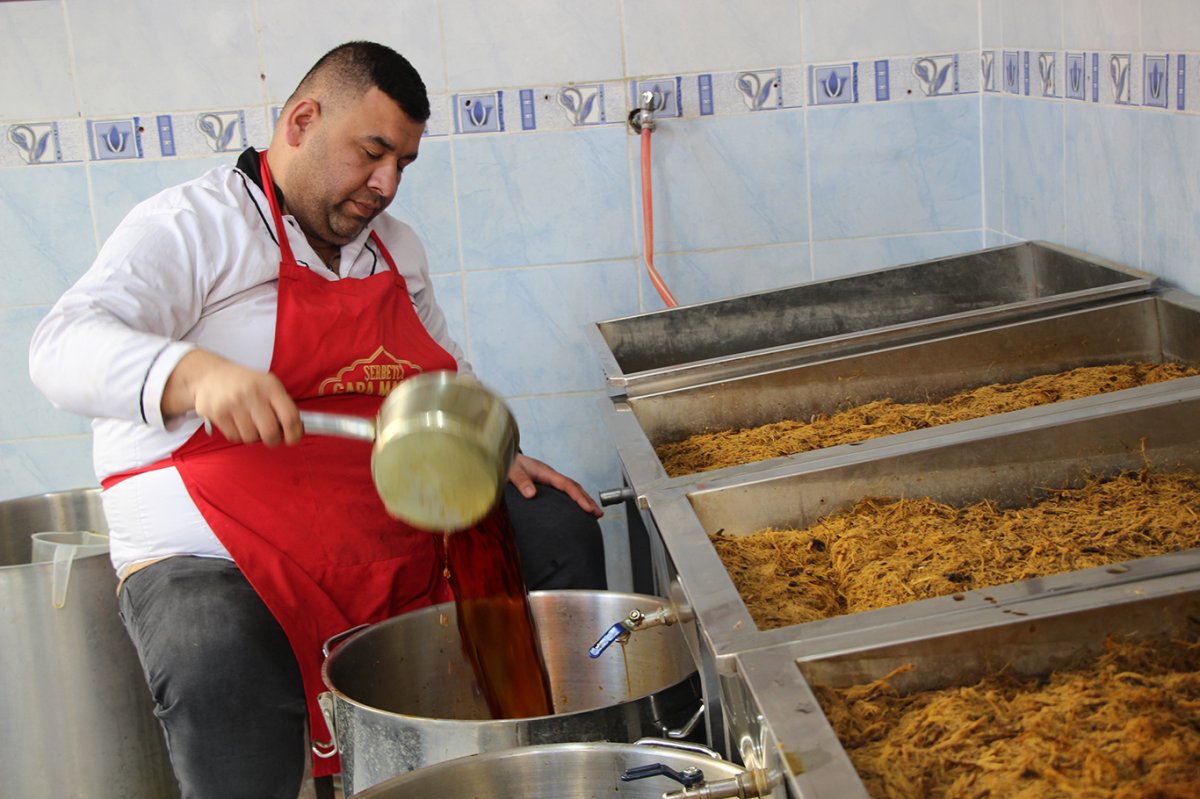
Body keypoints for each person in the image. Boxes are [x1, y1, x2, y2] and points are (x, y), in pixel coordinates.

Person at [28, 41, 606, 799]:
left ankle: (548, 769)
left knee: (558, 527)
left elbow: (444, 371)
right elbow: (59, 345)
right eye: (371, 152)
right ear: (301, 120)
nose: (387, 184)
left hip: (384, 522)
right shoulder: (191, 227)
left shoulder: (395, 250)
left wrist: (488, 446)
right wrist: (193, 375)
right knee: (216, 656)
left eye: (403, 162)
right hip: (221, 551)